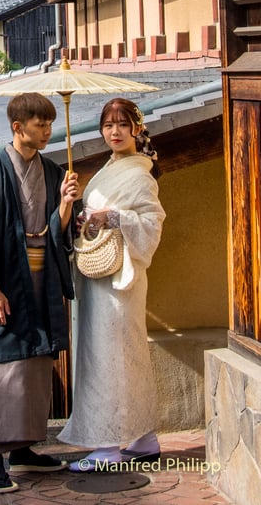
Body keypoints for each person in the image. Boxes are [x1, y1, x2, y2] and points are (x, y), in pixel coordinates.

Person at [0, 91, 80, 493]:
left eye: (49, 124)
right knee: (4, 371)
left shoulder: (50, 170)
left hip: (41, 278)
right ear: (18, 127)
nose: (47, 131)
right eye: (39, 124)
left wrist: (65, 204)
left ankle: (24, 450)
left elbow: (57, 229)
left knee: (37, 368)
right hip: (7, 281)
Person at [59, 98, 166, 472]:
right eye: (108, 125)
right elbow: (96, 217)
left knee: (109, 357)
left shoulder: (139, 173)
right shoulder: (110, 168)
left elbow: (151, 223)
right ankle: (142, 435)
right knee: (125, 355)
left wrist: (114, 216)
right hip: (100, 277)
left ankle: (107, 446)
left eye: (122, 124)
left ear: (137, 127)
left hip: (121, 280)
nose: (114, 132)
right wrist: (81, 212)